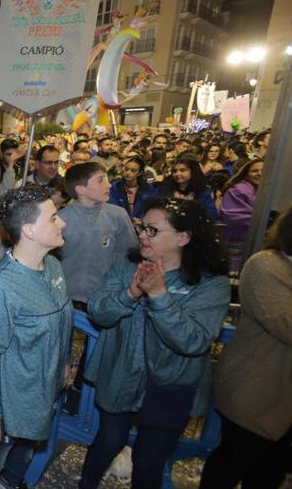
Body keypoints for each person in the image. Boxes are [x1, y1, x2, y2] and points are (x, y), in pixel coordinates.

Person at [78, 197, 231, 489]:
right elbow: (98, 310)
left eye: (152, 230)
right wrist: (129, 294)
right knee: (107, 443)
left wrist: (160, 296)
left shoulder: (210, 284)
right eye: (141, 228)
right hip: (121, 373)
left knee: (149, 461)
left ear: (184, 237)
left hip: (171, 385)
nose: (142, 236)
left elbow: (194, 340)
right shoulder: (127, 266)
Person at [0, 186, 72, 489]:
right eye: (53, 218)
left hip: (43, 391)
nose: (62, 222)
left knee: (26, 449)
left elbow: (63, 322)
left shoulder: (53, 266)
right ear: (29, 230)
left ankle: (10, 482)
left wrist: (64, 362)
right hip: (9, 402)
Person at [199, 204, 292, 489]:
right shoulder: (267, 265)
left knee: (270, 472)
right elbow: (286, 325)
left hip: (284, 403)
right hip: (257, 390)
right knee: (233, 464)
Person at [59, 162, 138, 307]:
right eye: (101, 180)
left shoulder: (117, 215)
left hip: (106, 298)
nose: (108, 185)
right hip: (66, 298)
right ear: (81, 189)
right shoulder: (60, 220)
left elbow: (129, 255)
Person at [218, 158, 263, 273]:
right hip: (238, 241)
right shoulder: (238, 190)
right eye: (254, 171)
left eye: (263, 170)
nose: (259, 173)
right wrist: (267, 221)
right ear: (246, 174)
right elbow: (234, 216)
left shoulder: (267, 190)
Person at [108, 156, 156, 226]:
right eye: (126, 169)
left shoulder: (148, 188)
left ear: (140, 173)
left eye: (133, 171)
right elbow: (113, 207)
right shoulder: (115, 186)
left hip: (141, 225)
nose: (128, 173)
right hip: (119, 224)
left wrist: (142, 221)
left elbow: (152, 209)